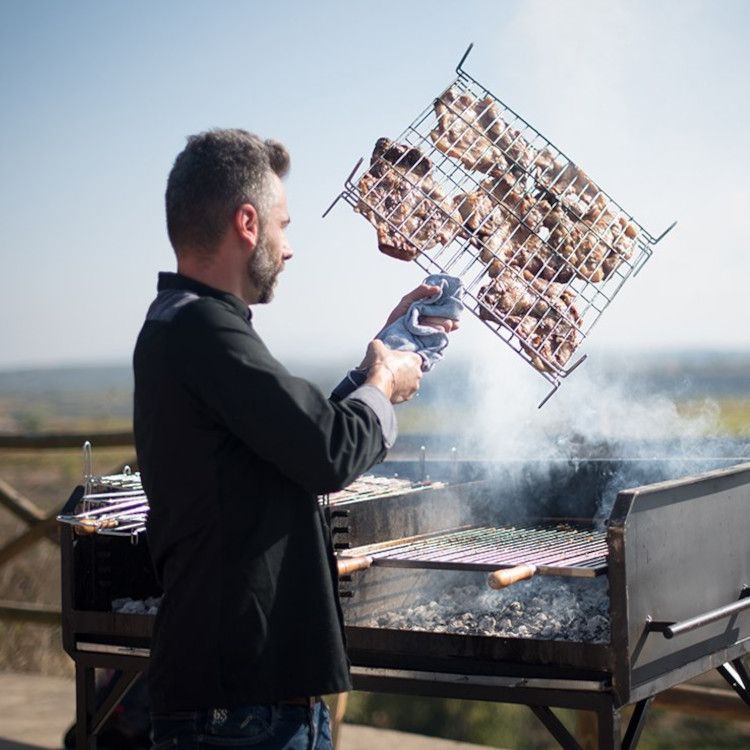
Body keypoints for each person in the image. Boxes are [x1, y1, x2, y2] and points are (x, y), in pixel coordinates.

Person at [132, 129, 457, 750]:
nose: (289, 248)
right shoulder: (203, 329)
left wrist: (379, 363)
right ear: (248, 223)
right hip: (238, 706)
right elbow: (328, 454)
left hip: (238, 699)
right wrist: (383, 388)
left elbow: (295, 441)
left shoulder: (185, 324)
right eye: (284, 225)